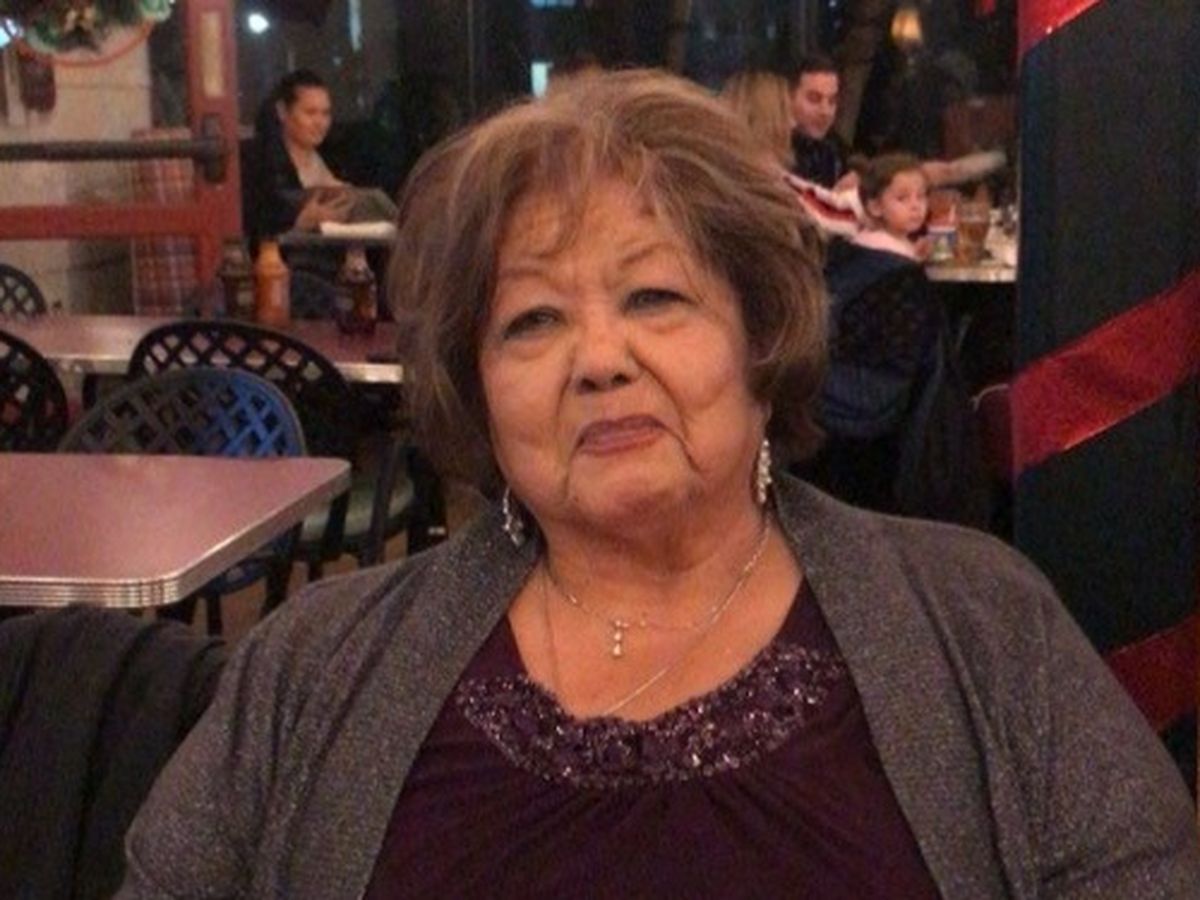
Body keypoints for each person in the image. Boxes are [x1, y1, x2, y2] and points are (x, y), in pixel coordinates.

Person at [118, 70, 1199, 897]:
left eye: (655, 299)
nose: (599, 359)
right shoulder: (311, 667)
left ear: (759, 338)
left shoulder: (985, 627)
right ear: (476, 387)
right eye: (532, 320)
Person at [243, 69, 355, 243]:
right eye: (310, 113)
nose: (320, 123)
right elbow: (250, 226)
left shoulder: (335, 158)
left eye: (325, 113)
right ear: (282, 111)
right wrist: (299, 222)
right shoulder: (257, 161)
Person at [788, 53, 847, 188]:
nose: (825, 111)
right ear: (790, 97)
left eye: (832, 101)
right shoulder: (771, 151)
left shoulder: (835, 152)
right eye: (814, 99)